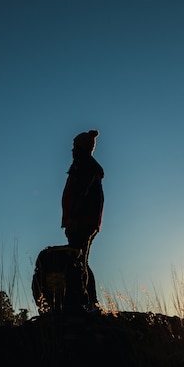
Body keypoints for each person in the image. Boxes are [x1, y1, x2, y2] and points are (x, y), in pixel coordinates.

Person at [61, 129, 104, 308]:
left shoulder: (85, 168)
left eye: (74, 146)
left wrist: (73, 219)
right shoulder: (83, 167)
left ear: (81, 148)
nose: (72, 150)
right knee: (80, 260)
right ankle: (87, 302)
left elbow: (80, 196)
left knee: (78, 260)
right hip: (81, 221)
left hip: (82, 222)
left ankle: (85, 303)